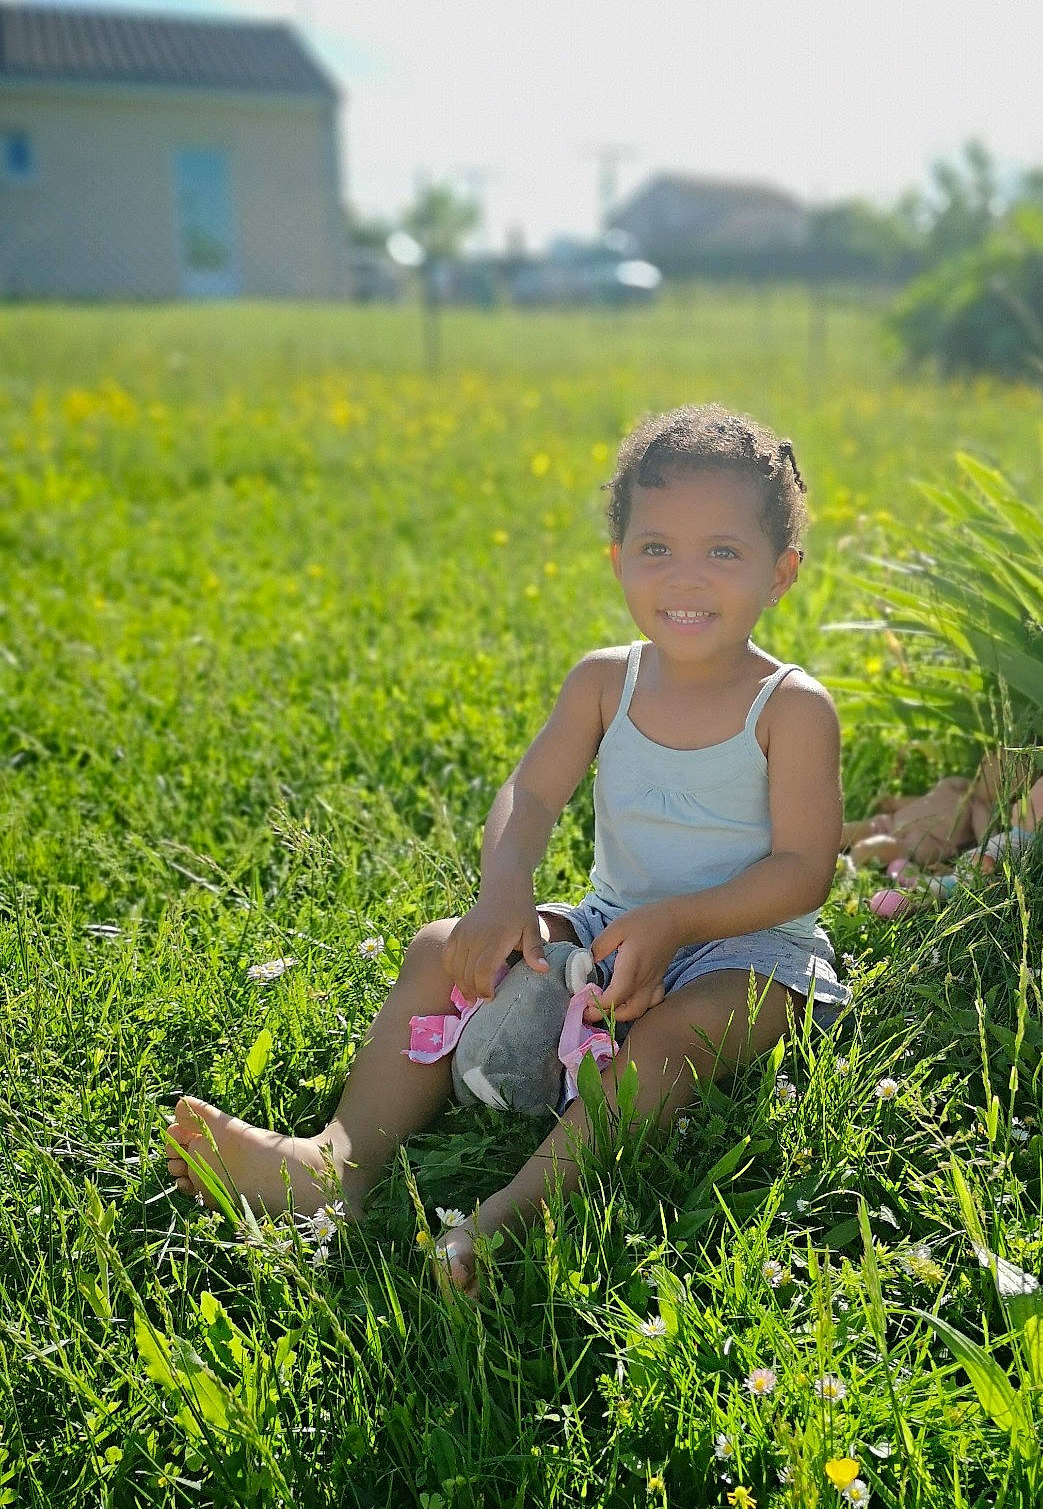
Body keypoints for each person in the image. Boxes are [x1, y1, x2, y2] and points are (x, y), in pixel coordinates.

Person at [165, 405, 850, 1290]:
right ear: (617, 560)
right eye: (656, 549)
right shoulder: (607, 681)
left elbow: (803, 873)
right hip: (610, 924)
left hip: (753, 950)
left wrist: (677, 922)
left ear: (780, 573)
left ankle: (509, 1218)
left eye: (723, 552)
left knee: (674, 1037)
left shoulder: (793, 706)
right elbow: (530, 793)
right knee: (438, 949)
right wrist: (505, 889)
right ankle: (334, 1167)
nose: (686, 577)